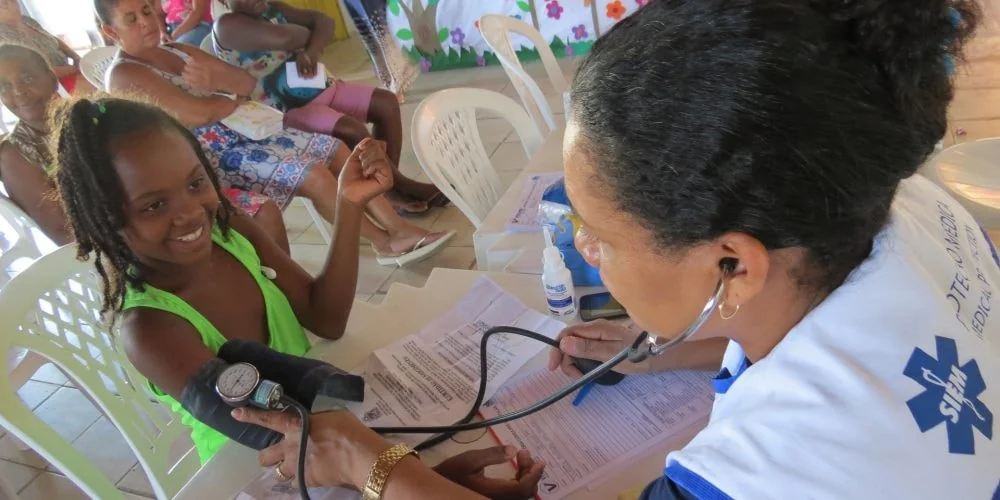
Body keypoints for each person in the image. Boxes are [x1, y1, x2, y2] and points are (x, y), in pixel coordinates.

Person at [230, 0, 1000, 498]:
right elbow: (833, 330)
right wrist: (666, 348)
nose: (587, 255)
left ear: (730, 264)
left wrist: (370, 464)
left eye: (600, 238)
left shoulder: (766, 472)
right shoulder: (911, 206)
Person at [49, 95, 397, 463]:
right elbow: (276, 434)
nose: (190, 213)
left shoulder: (233, 233)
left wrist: (349, 203)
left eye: (196, 183)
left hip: (325, 419)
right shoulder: (150, 329)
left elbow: (326, 319)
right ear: (104, 221)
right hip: (257, 464)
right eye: (153, 205)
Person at [96, 0, 453, 265]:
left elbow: (246, 83)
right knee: (313, 174)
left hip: (247, 131)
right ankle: (382, 242)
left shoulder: (178, 49)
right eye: (131, 18)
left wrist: (222, 89)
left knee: (336, 150)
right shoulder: (126, 75)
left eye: (146, 10)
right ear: (110, 32)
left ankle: (398, 227)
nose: (145, 21)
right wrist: (224, 95)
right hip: (207, 159)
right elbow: (196, 114)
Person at [0, 44, 292, 252]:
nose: (19, 92)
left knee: (262, 212)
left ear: (51, 78)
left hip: (163, 203)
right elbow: (65, 232)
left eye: (27, 78)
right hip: (124, 239)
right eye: (3, 86)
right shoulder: (15, 154)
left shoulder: (91, 113)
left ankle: (277, 297)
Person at [212, 0, 445, 215]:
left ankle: (386, 186)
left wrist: (312, 49)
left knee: (386, 103)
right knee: (353, 130)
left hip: (321, 86)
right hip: (286, 109)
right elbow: (286, 38)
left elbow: (325, 21)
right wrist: (307, 33)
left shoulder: (269, 7)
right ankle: (397, 186)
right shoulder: (228, 25)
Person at [0, 0, 90, 94]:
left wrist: (75, 57)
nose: (10, 3)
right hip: (50, 87)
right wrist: (75, 69)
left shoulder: (27, 20)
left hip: (72, 73)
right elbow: (33, 72)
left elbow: (51, 39)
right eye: (3, 3)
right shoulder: (3, 39)